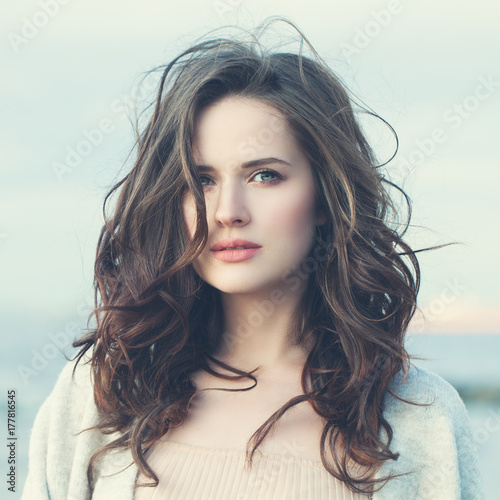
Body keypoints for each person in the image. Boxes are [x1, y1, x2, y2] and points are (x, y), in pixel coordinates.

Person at [21, 17, 484, 500]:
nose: (227, 212)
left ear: (327, 198)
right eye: (201, 180)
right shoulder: (101, 398)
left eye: (264, 175)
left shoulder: (418, 417)